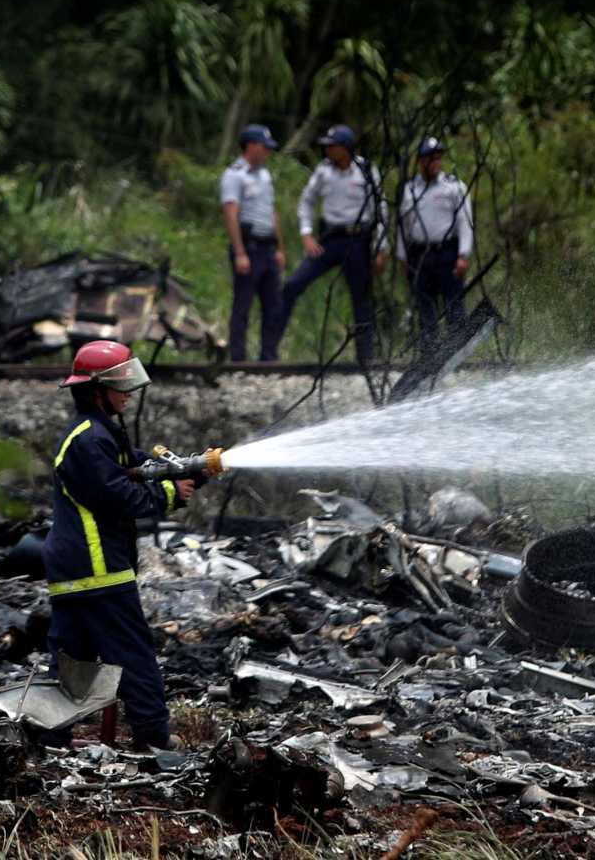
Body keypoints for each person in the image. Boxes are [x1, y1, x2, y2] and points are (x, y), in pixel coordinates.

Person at [42, 341, 210, 750]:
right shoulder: (89, 440)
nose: (129, 394)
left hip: (75, 569)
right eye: (121, 385)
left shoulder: (98, 435)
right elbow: (120, 496)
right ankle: (154, 738)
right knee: (133, 654)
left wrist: (191, 467)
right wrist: (171, 493)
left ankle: (48, 737)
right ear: (97, 389)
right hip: (97, 567)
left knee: (72, 661)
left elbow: (137, 468)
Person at [282, 124, 387, 365]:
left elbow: (380, 209)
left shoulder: (367, 170)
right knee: (293, 284)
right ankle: (269, 351)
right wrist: (306, 234)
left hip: (359, 240)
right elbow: (306, 202)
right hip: (330, 239)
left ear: (346, 147)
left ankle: (366, 357)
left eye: (333, 146)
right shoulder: (323, 171)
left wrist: (381, 247)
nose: (327, 150)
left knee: (362, 298)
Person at [395, 136, 474, 349]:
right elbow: (402, 226)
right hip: (420, 254)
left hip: (447, 251)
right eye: (430, 158)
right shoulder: (409, 191)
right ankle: (430, 352)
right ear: (421, 161)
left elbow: (465, 221)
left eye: (438, 158)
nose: (435, 163)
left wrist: (464, 255)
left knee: (453, 303)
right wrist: (402, 257)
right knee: (425, 305)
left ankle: (458, 349)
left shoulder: (454, 186)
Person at [220, 124, 287, 362]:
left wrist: (280, 248)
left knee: (273, 305)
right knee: (243, 305)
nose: (268, 152)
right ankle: (238, 358)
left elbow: (272, 213)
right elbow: (230, 213)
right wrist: (239, 252)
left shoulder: (265, 175)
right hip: (248, 247)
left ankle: (269, 356)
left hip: (268, 247)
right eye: (264, 147)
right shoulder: (234, 175)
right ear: (251, 146)